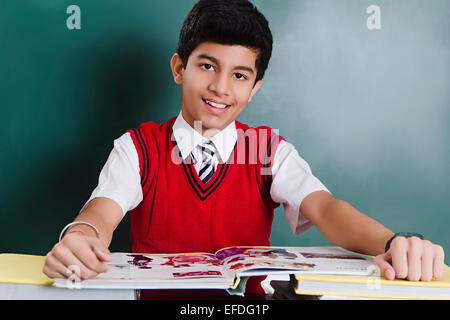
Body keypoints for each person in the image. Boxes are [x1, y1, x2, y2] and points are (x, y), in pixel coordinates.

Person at [43, 0, 445, 294]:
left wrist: (394, 244)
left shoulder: (269, 151)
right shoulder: (138, 148)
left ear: (255, 89)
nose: (220, 88)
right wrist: (82, 235)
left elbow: (325, 208)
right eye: (206, 66)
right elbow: (102, 211)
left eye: (239, 75)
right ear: (179, 68)